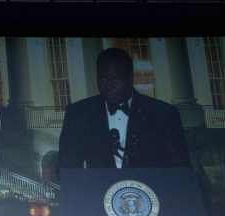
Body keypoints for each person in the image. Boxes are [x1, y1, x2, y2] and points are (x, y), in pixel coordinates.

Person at [57, 47, 189, 171]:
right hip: (96, 194)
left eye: (114, 79)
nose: (108, 85)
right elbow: (67, 170)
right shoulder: (77, 114)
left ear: (130, 78)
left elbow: (180, 169)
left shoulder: (163, 114)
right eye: (102, 79)